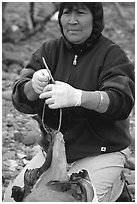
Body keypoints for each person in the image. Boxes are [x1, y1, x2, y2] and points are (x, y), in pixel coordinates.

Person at [5, 2, 134, 202]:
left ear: (95, 18)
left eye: (81, 13)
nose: (72, 20)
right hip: (53, 152)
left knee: (69, 200)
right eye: (66, 13)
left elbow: (121, 101)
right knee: (12, 199)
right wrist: (33, 86)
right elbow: (19, 98)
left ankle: (114, 190)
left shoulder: (112, 54)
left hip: (101, 151)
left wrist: (79, 97)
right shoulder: (49, 50)